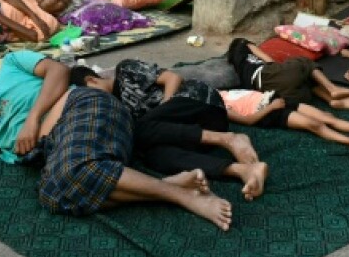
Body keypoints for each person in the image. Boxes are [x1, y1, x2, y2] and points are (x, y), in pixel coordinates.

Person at [0, 54, 234, 230]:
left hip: (82, 106)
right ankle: (173, 187)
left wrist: (33, 120)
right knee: (53, 194)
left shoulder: (11, 65)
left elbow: (59, 69)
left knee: (72, 168)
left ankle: (186, 198)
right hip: (58, 147)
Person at [70, 61, 270, 201]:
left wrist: (162, 111)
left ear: (92, 80)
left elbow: (172, 78)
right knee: (154, 157)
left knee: (139, 130)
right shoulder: (114, 110)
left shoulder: (125, 70)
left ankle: (229, 139)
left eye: (88, 95)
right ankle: (241, 170)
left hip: (197, 101)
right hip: (193, 130)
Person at [221, 88, 349, 150]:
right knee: (314, 124)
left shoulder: (223, 91)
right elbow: (249, 121)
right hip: (268, 112)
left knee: (327, 117)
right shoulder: (221, 107)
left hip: (275, 98)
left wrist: (274, 100)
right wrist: (271, 107)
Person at [227, 37, 349, 110]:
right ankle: (333, 90)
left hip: (277, 94)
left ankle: (333, 101)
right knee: (303, 63)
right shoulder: (242, 44)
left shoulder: (240, 67)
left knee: (305, 83)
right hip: (266, 74)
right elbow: (269, 60)